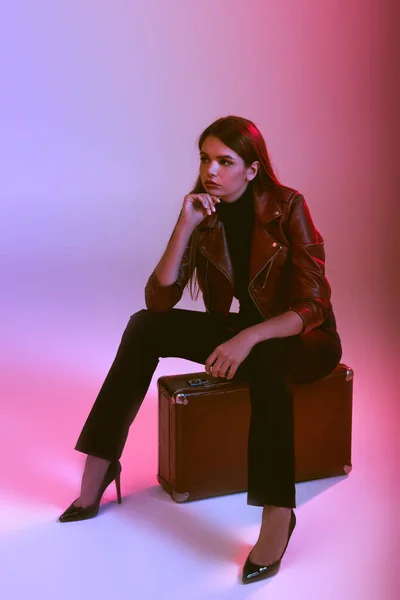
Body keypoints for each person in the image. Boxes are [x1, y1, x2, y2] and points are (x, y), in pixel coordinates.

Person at [58, 115, 342, 585]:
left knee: (269, 359)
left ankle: (278, 514)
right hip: (239, 332)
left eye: (225, 161)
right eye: (205, 159)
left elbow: (313, 305)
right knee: (143, 326)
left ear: (252, 170)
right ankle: (101, 463)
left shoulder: (288, 206)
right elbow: (159, 300)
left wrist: (247, 336)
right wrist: (184, 224)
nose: (211, 170)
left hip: (304, 338)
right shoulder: (203, 213)